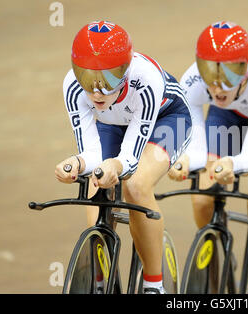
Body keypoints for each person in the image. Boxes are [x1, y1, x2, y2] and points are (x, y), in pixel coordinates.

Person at [54, 21, 192, 294]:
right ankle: (101, 279)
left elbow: (129, 158)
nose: (96, 92)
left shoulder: (146, 79)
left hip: (167, 118)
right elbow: (91, 154)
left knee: (136, 185)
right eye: (87, 78)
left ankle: (155, 285)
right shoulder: (72, 85)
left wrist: (114, 166)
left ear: (126, 71)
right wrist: (76, 163)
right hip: (116, 120)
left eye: (108, 81)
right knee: (95, 183)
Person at [168, 21, 248, 293]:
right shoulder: (192, 81)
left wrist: (232, 163)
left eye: (230, 74)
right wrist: (182, 161)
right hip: (227, 117)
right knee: (203, 199)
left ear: (246, 67)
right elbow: (196, 150)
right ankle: (219, 263)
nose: (218, 86)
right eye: (211, 73)